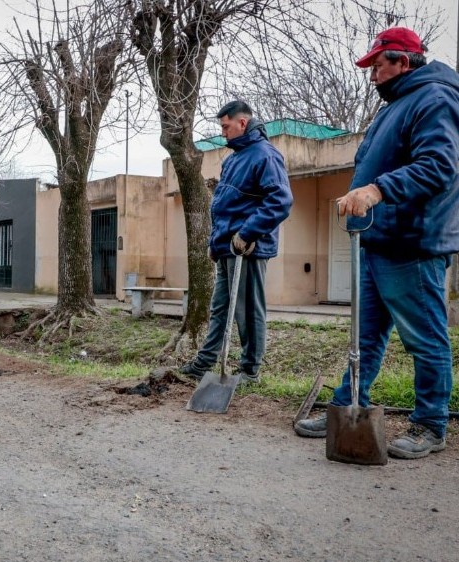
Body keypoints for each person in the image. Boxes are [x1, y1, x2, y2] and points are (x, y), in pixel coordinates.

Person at [294, 27, 459, 459]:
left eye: (377, 66)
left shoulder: (436, 99)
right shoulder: (398, 105)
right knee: (364, 338)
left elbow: (440, 166)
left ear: (402, 61)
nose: (372, 76)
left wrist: (376, 190)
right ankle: (349, 407)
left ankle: (430, 424)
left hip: (413, 243)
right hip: (378, 240)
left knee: (425, 337)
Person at [180, 100, 293, 384]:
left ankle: (250, 370)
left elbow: (280, 201)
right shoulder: (233, 159)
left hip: (248, 248)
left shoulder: (265, 155)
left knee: (247, 309)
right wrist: (216, 243)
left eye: (226, 126)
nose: (223, 132)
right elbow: (228, 205)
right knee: (220, 308)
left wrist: (247, 234)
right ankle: (204, 363)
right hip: (228, 247)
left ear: (242, 123)